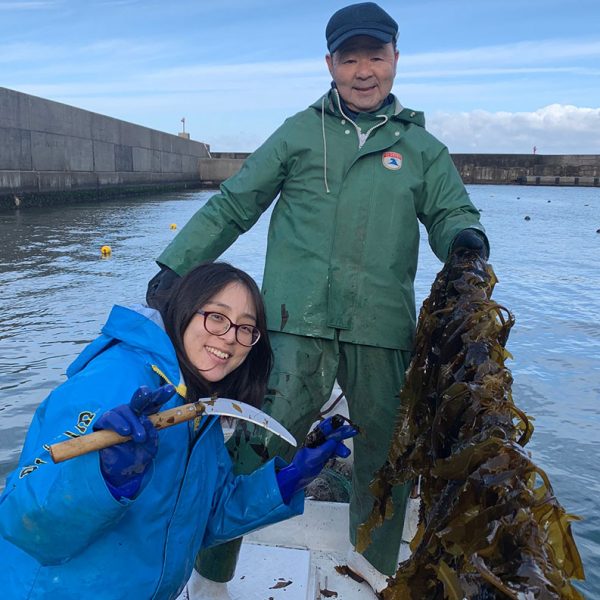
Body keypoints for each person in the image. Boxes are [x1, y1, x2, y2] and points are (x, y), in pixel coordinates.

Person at [147, 2, 489, 595]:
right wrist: (177, 267)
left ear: (395, 60)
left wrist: (465, 241)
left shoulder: (421, 148)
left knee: (386, 458)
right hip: (292, 325)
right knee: (256, 443)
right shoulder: (300, 132)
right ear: (329, 63)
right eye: (349, 58)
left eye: (375, 57)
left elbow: (450, 211)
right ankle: (213, 575)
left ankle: (373, 569)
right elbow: (237, 202)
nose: (363, 71)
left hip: (382, 330)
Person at [0, 262, 357, 600]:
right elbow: (24, 523)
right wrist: (104, 479)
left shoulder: (198, 404)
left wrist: (293, 477)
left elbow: (205, 517)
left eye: (245, 327)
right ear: (184, 311)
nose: (230, 337)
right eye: (216, 317)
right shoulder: (114, 379)